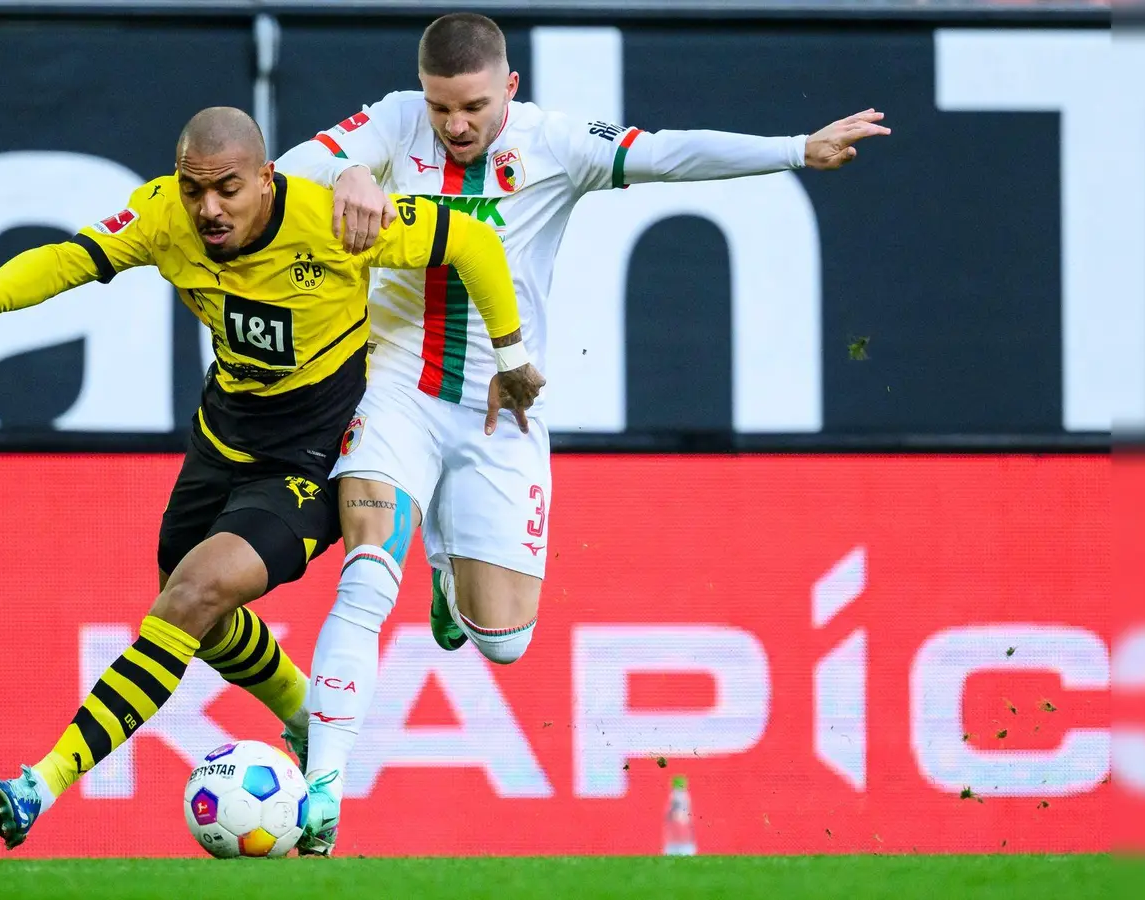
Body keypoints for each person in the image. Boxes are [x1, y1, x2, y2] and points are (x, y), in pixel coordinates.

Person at [273, 13, 892, 855]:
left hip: (501, 408)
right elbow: (277, 178)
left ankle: (451, 576)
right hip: (392, 392)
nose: (455, 125)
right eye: (441, 107)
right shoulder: (392, 119)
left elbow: (671, 152)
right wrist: (346, 171)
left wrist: (794, 147)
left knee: (506, 642)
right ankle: (325, 787)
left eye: (473, 108)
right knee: (368, 570)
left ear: (510, 89)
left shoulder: (557, 144)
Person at [0, 106, 541, 850]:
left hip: (308, 460)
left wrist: (510, 353)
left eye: (228, 189)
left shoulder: (331, 219)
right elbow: (72, 257)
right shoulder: (161, 214)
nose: (208, 208)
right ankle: (304, 719)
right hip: (219, 441)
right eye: (193, 188)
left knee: (192, 595)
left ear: (268, 180)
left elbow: (470, 238)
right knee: (194, 618)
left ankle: (40, 781)